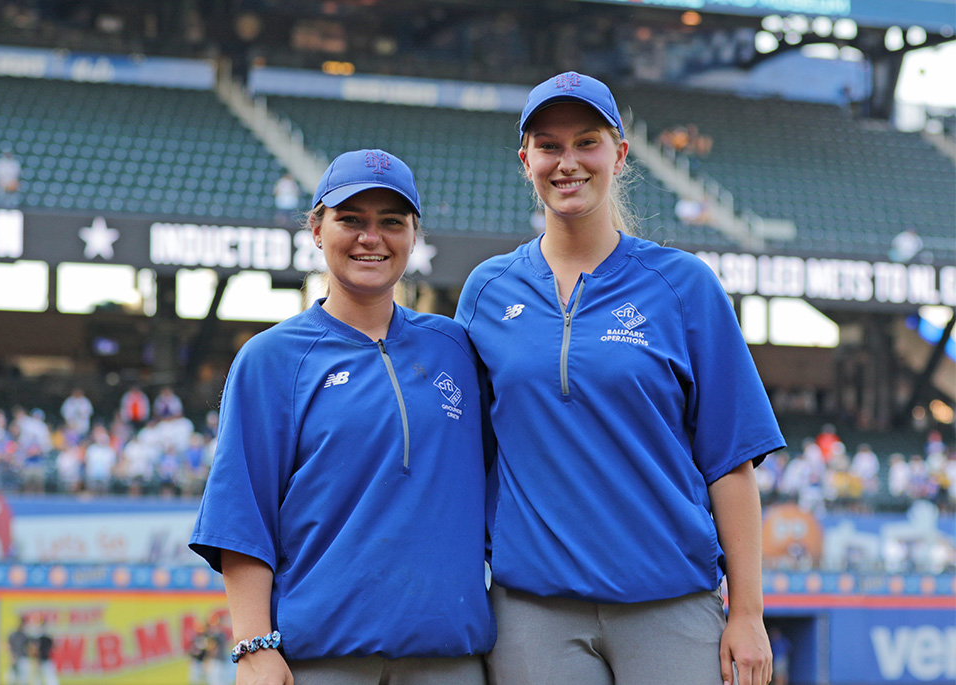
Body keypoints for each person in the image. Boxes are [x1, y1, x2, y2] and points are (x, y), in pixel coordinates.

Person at [456, 72, 784, 685]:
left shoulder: (684, 285)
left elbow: (731, 463)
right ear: (525, 159)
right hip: (533, 612)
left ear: (619, 154)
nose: (567, 162)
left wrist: (748, 611)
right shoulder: (486, 292)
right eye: (549, 146)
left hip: (670, 604)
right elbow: (466, 455)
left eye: (587, 142)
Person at [190, 149, 494, 684]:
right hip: (323, 660)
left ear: (414, 234)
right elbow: (243, 517)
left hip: (450, 658)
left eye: (391, 222)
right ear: (315, 228)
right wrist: (252, 646)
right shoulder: (271, 358)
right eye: (350, 219)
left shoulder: (455, 347)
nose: (370, 238)